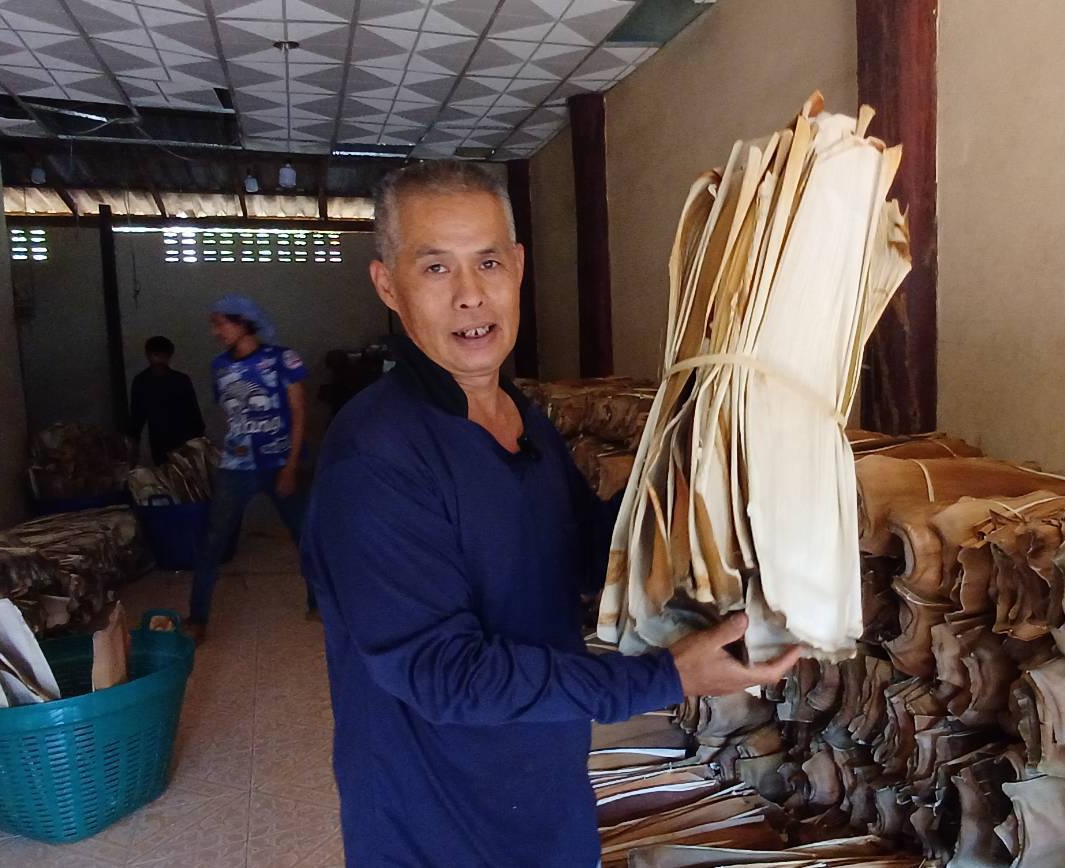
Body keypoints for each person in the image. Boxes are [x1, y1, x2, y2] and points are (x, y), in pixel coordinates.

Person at [301, 161, 801, 866]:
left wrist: (703, 482)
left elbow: (582, 549)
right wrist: (666, 678)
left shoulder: (521, 417)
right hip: (435, 823)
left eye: (488, 262)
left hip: (544, 786)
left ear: (518, 267)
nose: (471, 295)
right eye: (436, 268)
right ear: (388, 285)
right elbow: (445, 673)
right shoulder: (374, 458)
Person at [189, 295, 312, 639]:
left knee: (306, 537)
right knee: (213, 541)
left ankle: (321, 605)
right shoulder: (220, 367)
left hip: (279, 463)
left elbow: (300, 415)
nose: (215, 332)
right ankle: (197, 618)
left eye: (220, 323)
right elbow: (230, 416)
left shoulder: (282, 360)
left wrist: (291, 467)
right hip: (236, 467)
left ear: (243, 322)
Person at [127, 335, 206, 465]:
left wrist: (198, 440)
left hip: (182, 440)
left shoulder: (180, 381)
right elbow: (137, 417)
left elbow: (193, 414)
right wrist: (133, 444)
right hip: (160, 441)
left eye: (162, 355)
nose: (159, 359)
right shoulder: (142, 382)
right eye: (156, 355)